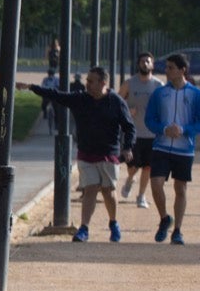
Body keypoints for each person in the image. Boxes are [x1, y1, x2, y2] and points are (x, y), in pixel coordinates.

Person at [20, 65, 134, 242]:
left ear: (103, 83)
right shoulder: (81, 99)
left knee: (108, 191)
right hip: (87, 152)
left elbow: (129, 127)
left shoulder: (116, 102)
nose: (86, 84)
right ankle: (84, 228)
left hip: (108, 153)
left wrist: (127, 147)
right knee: (90, 190)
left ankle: (113, 223)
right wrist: (31, 87)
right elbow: (56, 95)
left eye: (91, 81)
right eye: (87, 80)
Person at [144, 51, 200, 245]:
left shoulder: (195, 94)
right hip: (161, 146)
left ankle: (178, 230)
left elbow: (199, 122)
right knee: (156, 183)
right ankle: (164, 218)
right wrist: (164, 129)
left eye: (170, 68)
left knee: (180, 189)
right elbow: (149, 119)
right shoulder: (160, 93)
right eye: (166, 67)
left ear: (182, 70)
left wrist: (184, 130)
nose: (166, 71)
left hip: (184, 149)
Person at [118, 51, 160, 208]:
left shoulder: (158, 85)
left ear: (152, 65)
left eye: (148, 61)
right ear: (138, 64)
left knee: (148, 166)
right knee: (133, 166)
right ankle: (130, 179)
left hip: (151, 133)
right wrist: (128, 111)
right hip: (133, 133)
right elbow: (118, 102)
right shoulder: (129, 83)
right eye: (142, 61)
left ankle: (141, 196)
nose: (145, 64)